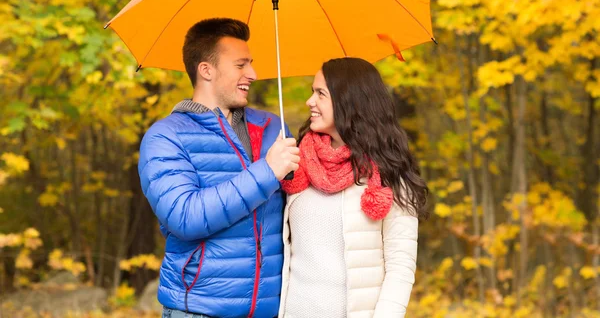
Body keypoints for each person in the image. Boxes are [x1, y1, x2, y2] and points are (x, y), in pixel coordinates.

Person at [138, 18, 299, 318]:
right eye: (240, 65)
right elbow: (185, 217)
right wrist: (267, 172)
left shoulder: (272, 129)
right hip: (199, 309)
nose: (252, 74)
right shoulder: (165, 137)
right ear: (206, 70)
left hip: (272, 309)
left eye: (250, 63)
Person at [279, 57, 428, 318]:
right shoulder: (298, 161)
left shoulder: (390, 173)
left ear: (348, 101)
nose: (309, 102)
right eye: (312, 92)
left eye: (320, 94)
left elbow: (400, 267)